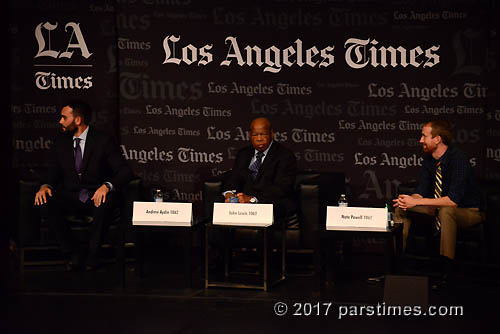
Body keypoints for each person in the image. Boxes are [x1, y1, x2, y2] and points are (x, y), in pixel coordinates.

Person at [34, 100, 133, 271]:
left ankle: (93, 254)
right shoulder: (60, 142)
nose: (60, 121)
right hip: (71, 196)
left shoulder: (103, 141)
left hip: (95, 195)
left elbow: (125, 171)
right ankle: (73, 251)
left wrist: (106, 186)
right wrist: (45, 186)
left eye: (64, 118)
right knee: (45, 201)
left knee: (106, 201)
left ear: (78, 120)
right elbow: (52, 173)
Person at [393, 120, 483, 290]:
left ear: (438, 139)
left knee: (447, 211)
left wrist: (417, 201)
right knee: (401, 208)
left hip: (468, 212)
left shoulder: (459, 159)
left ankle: (446, 273)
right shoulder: (429, 160)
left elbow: (453, 201)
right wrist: (409, 200)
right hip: (438, 209)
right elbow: (421, 190)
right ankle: (398, 262)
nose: (420, 140)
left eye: (424, 136)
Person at [223, 117, 297, 219]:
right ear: (250, 135)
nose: (259, 139)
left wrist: (253, 199)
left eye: (263, 134)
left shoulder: (285, 155)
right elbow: (234, 179)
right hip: (243, 204)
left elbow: (282, 188)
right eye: (255, 135)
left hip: (271, 203)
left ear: (272, 134)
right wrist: (230, 194)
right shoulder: (243, 154)